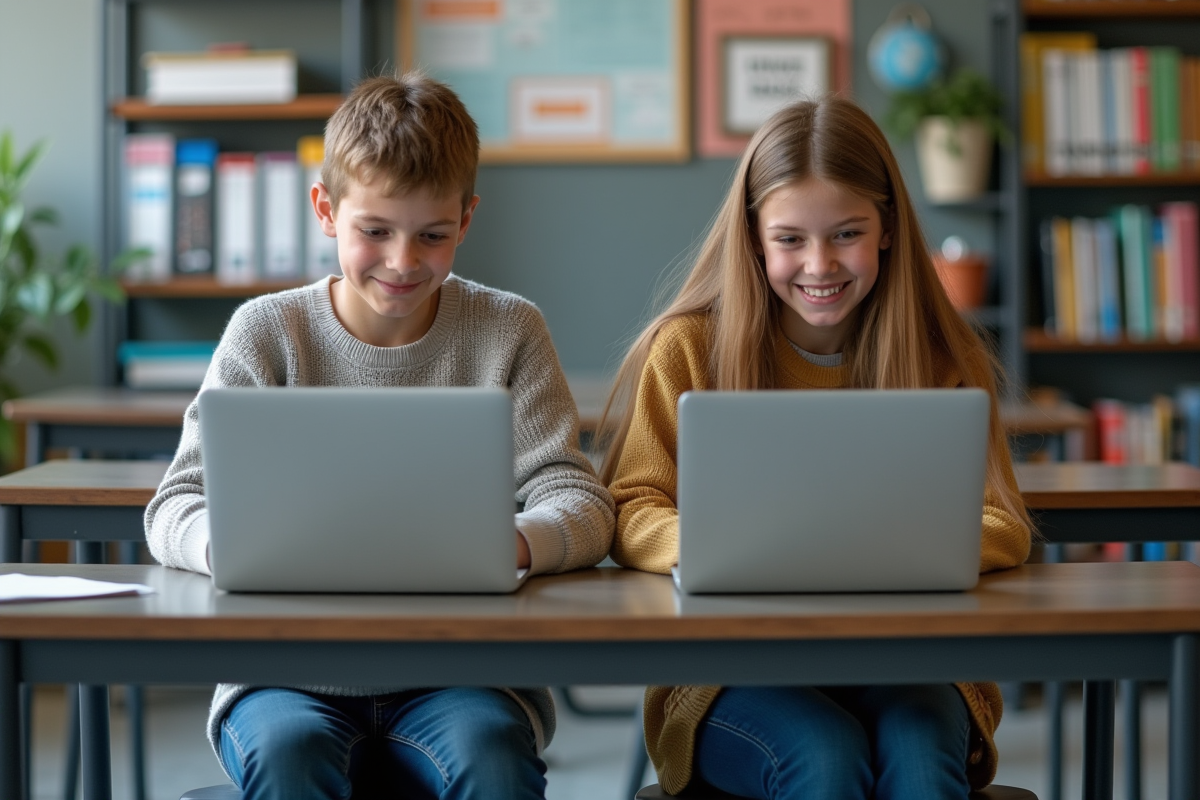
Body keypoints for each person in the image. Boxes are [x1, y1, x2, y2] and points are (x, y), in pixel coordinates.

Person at [144, 72, 615, 800]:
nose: (402, 262)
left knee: (492, 757)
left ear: (467, 219)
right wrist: (225, 547)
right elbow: (175, 501)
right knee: (287, 752)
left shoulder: (508, 329)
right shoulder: (268, 332)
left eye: (432, 235)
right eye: (375, 232)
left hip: (461, 670)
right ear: (326, 210)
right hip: (286, 673)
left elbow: (578, 497)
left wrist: (520, 542)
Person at [599, 96, 1033, 800]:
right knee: (824, 756)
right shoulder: (687, 349)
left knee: (921, 762)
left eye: (846, 233)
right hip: (726, 676)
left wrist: (868, 553)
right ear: (754, 238)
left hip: (909, 661)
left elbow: (1002, 522)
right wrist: (719, 550)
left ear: (888, 228)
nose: (819, 263)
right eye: (791, 238)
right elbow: (631, 505)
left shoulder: (940, 358)